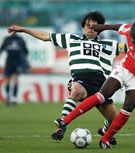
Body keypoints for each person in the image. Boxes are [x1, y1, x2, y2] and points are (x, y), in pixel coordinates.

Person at [48, 21, 135, 149]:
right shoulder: (130, 31)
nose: (133, 41)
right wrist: (102, 27)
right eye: (132, 37)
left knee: (128, 108)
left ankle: (105, 139)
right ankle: (64, 121)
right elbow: (118, 27)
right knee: (101, 96)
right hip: (124, 69)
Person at [8, 11, 127, 144]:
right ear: (83, 27)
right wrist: (24, 29)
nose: (91, 28)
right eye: (88, 25)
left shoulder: (111, 45)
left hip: (101, 84)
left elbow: (131, 49)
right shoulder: (71, 39)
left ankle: (105, 131)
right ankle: (62, 126)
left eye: (95, 26)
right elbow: (45, 36)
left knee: (115, 121)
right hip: (81, 79)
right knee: (76, 90)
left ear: (100, 29)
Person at [0, 33, 29, 106]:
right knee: (7, 79)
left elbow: (25, 51)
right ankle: (8, 97)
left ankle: (14, 98)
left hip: (17, 62)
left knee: (15, 79)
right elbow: (1, 49)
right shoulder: (7, 39)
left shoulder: (20, 40)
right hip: (9, 61)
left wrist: (24, 62)